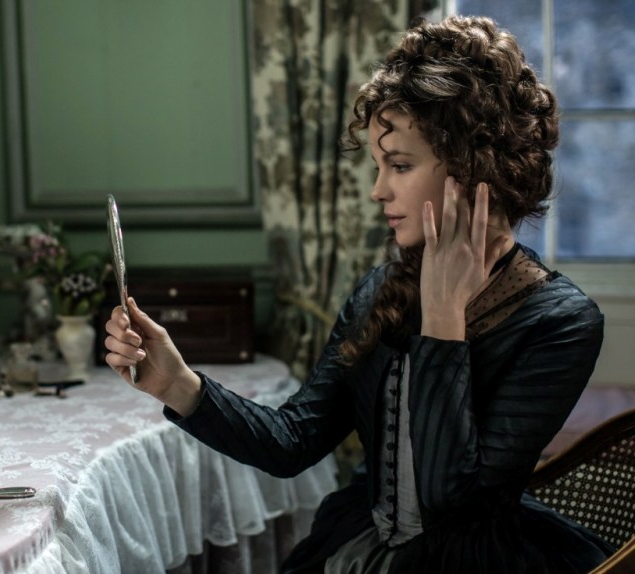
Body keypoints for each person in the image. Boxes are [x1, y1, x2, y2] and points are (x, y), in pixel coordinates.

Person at [104, 15, 614, 573]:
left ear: (473, 167)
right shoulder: (381, 290)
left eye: (399, 165)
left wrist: (443, 319)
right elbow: (293, 442)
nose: (378, 190)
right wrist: (177, 383)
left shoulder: (561, 322)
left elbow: (450, 506)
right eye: (378, 166)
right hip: (360, 547)